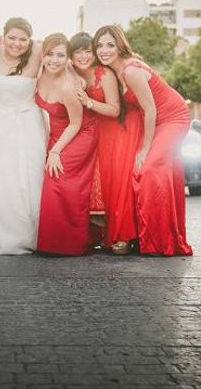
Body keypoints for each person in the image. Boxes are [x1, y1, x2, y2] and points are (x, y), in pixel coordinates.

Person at [94, 25, 192, 256]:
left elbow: (150, 109)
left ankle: (159, 241)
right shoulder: (113, 71)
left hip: (172, 118)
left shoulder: (130, 71)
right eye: (99, 45)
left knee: (148, 170)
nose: (104, 50)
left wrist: (144, 148)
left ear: (120, 45)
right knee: (144, 172)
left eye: (110, 44)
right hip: (156, 120)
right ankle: (142, 235)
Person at [0, 17, 46, 255]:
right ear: (4, 36)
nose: (16, 44)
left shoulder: (37, 51)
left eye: (22, 39)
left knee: (30, 177)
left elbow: (59, 57)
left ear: (30, 40)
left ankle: (34, 235)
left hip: (28, 122)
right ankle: (4, 235)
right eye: (12, 38)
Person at [70, 32, 137, 255]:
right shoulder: (70, 73)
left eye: (88, 51)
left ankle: (122, 234)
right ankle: (94, 234)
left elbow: (115, 109)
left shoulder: (104, 74)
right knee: (91, 181)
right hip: (88, 132)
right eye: (77, 51)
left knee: (114, 182)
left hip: (112, 130)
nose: (83, 56)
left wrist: (88, 101)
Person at [35, 33, 98, 256]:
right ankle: (52, 241)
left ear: (67, 58)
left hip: (81, 132)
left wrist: (55, 151)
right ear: (42, 55)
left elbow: (76, 123)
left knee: (57, 178)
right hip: (57, 133)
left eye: (60, 55)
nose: (54, 59)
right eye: (50, 54)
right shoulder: (40, 74)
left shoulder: (68, 87)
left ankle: (70, 243)